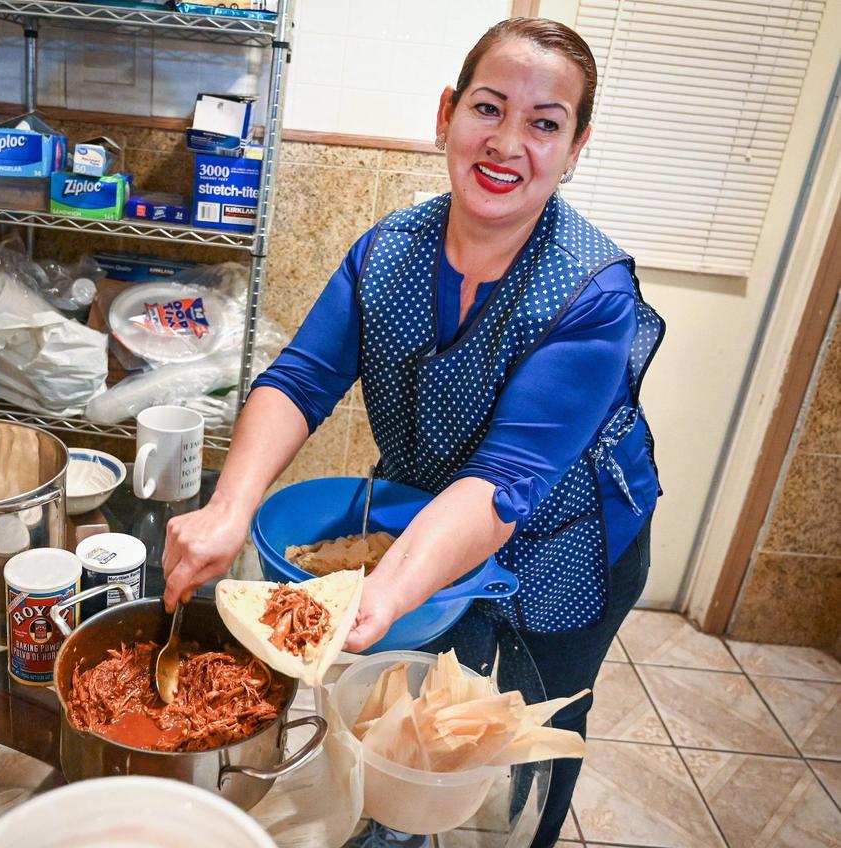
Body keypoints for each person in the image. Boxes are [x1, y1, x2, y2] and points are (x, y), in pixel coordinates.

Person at [161, 17, 664, 848]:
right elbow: (300, 380)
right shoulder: (388, 252)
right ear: (446, 115)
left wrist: (383, 592)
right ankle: (394, 827)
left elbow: (506, 481)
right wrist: (229, 511)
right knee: (417, 700)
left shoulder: (592, 292)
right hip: (432, 519)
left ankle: (525, 837)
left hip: (571, 538)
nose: (507, 143)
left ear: (575, 148)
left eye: (545, 124)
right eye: (489, 108)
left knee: (529, 724)